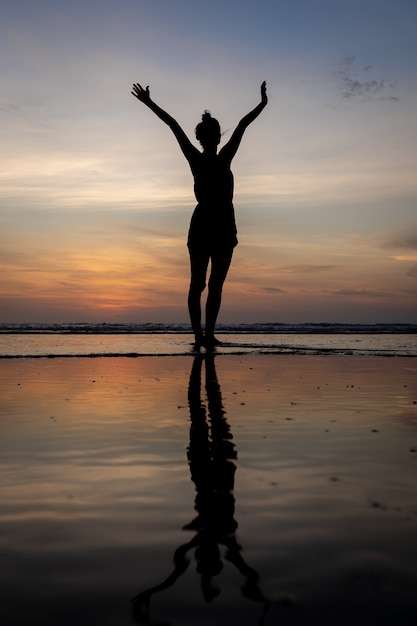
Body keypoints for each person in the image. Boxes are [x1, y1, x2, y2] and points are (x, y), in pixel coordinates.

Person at [131, 81, 268, 347]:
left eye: (214, 135)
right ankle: (199, 336)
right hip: (205, 227)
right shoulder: (198, 159)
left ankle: (206, 336)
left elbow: (241, 126)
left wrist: (262, 104)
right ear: (204, 139)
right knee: (200, 285)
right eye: (208, 136)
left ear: (216, 137)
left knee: (212, 286)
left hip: (224, 228)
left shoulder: (224, 157)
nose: (212, 139)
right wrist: (149, 103)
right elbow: (173, 125)